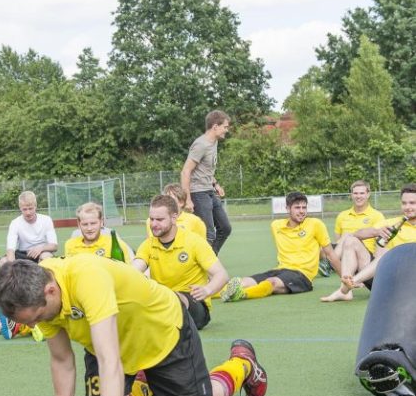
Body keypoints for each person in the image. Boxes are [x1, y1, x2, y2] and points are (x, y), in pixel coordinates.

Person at [0, 256, 266, 396]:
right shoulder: (38, 292)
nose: (34, 325)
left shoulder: (87, 278)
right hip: (106, 342)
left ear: (51, 291)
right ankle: (144, 387)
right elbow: (62, 360)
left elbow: (110, 361)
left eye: (37, 317)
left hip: (160, 333)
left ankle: (242, 364)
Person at [221, 192, 340, 303]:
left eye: (304, 207)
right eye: (297, 207)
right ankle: (214, 294)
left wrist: (344, 278)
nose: (302, 211)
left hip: (302, 275)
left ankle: (242, 294)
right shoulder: (276, 226)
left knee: (271, 283)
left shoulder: (315, 224)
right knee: (244, 281)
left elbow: (330, 254)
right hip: (280, 270)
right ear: (287, 208)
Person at [132, 195, 228, 330]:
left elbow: (221, 275)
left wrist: (207, 290)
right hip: (161, 300)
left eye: (159, 219)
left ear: (174, 218)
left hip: (194, 304)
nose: (153, 224)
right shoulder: (148, 245)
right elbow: (134, 270)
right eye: (151, 219)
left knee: (170, 297)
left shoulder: (194, 242)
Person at [322, 184, 416, 302]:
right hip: (385, 280)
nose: (407, 207)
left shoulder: (377, 215)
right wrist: (377, 231)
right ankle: (346, 290)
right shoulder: (393, 223)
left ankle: (350, 283)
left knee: (386, 254)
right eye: (404, 203)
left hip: (409, 282)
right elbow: (356, 234)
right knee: (350, 240)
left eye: (412, 203)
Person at [181, 110, 232, 254]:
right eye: (225, 127)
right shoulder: (201, 144)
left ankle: (210, 260)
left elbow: (205, 169)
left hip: (209, 190)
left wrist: (216, 184)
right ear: (215, 126)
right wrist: (187, 200)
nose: (226, 130)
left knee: (225, 228)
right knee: (208, 234)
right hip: (198, 193)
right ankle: (204, 264)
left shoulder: (214, 142)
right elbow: (185, 171)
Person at [63, 202, 133, 260]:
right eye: (85, 224)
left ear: (101, 222)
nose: (89, 228)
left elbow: (128, 268)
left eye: (93, 223)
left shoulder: (114, 244)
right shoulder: (70, 245)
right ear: (79, 224)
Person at [4, 191, 57, 263]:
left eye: (30, 208)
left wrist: (40, 248)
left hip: (42, 252)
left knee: (46, 257)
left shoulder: (46, 220)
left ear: (35, 206)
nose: (28, 213)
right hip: (23, 254)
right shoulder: (15, 223)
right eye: (24, 209)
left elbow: (54, 246)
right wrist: (11, 265)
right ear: (20, 208)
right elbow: (10, 249)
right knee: (4, 261)